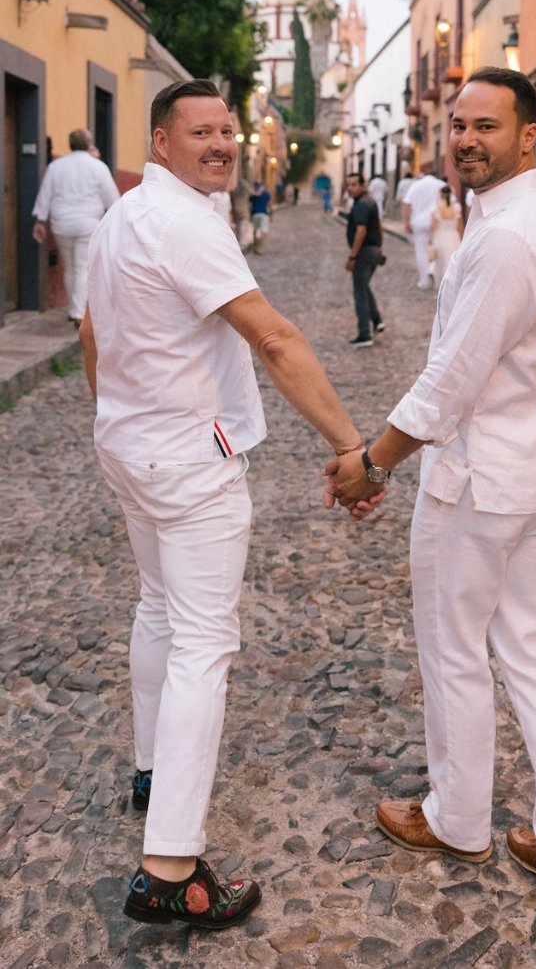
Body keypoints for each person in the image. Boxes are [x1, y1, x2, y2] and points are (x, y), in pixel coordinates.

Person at [79, 79, 381, 931]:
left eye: (227, 130)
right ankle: (170, 863)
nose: (221, 143)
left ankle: (149, 769)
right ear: (161, 142)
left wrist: (120, 413)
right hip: (186, 460)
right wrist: (350, 447)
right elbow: (276, 338)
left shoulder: (123, 216)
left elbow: (91, 334)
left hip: (131, 450)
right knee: (204, 642)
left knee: (158, 607)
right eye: (200, 131)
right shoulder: (181, 222)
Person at [326, 68, 536, 900]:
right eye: (457, 126)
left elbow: (448, 386)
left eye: (487, 126)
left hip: (484, 482)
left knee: (456, 648)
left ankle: (457, 817)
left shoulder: (510, 236)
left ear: (529, 135)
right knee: (533, 645)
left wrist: (371, 463)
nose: (465, 140)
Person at [31, 128, 119, 325]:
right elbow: (112, 198)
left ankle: (73, 307)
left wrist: (39, 221)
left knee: (70, 267)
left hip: (61, 223)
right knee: (82, 267)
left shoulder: (57, 166)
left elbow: (46, 193)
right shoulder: (98, 167)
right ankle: (78, 312)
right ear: (88, 144)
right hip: (88, 222)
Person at [344, 173, 385, 348]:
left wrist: (352, 256)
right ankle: (376, 320)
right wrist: (380, 249)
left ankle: (364, 334)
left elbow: (361, 232)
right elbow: (379, 227)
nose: (350, 188)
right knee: (364, 287)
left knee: (359, 292)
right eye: (348, 185)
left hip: (364, 253)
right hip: (373, 250)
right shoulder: (370, 202)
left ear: (362, 185)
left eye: (354, 184)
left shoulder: (362, 204)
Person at [402, 169, 444, 288]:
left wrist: (406, 222)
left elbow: (408, 204)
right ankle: (437, 279)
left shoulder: (416, 185)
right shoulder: (441, 185)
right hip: (437, 222)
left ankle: (424, 281)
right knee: (438, 251)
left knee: (421, 251)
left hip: (418, 222)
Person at [429, 184, 462, 286]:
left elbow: (432, 227)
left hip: (440, 237)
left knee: (442, 262)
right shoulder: (457, 207)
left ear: (440, 195)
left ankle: (443, 284)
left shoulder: (435, 209)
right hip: (454, 237)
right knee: (454, 262)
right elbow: (461, 226)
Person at [249, 180, 272, 255]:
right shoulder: (266, 193)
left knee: (255, 230)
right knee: (263, 232)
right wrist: (271, 215)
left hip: (255, 213)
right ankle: (260, 248)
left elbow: (250, 205)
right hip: (264, 214)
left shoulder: (253, 193)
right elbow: (269, 205)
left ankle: (255, 246)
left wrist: (250, 215)